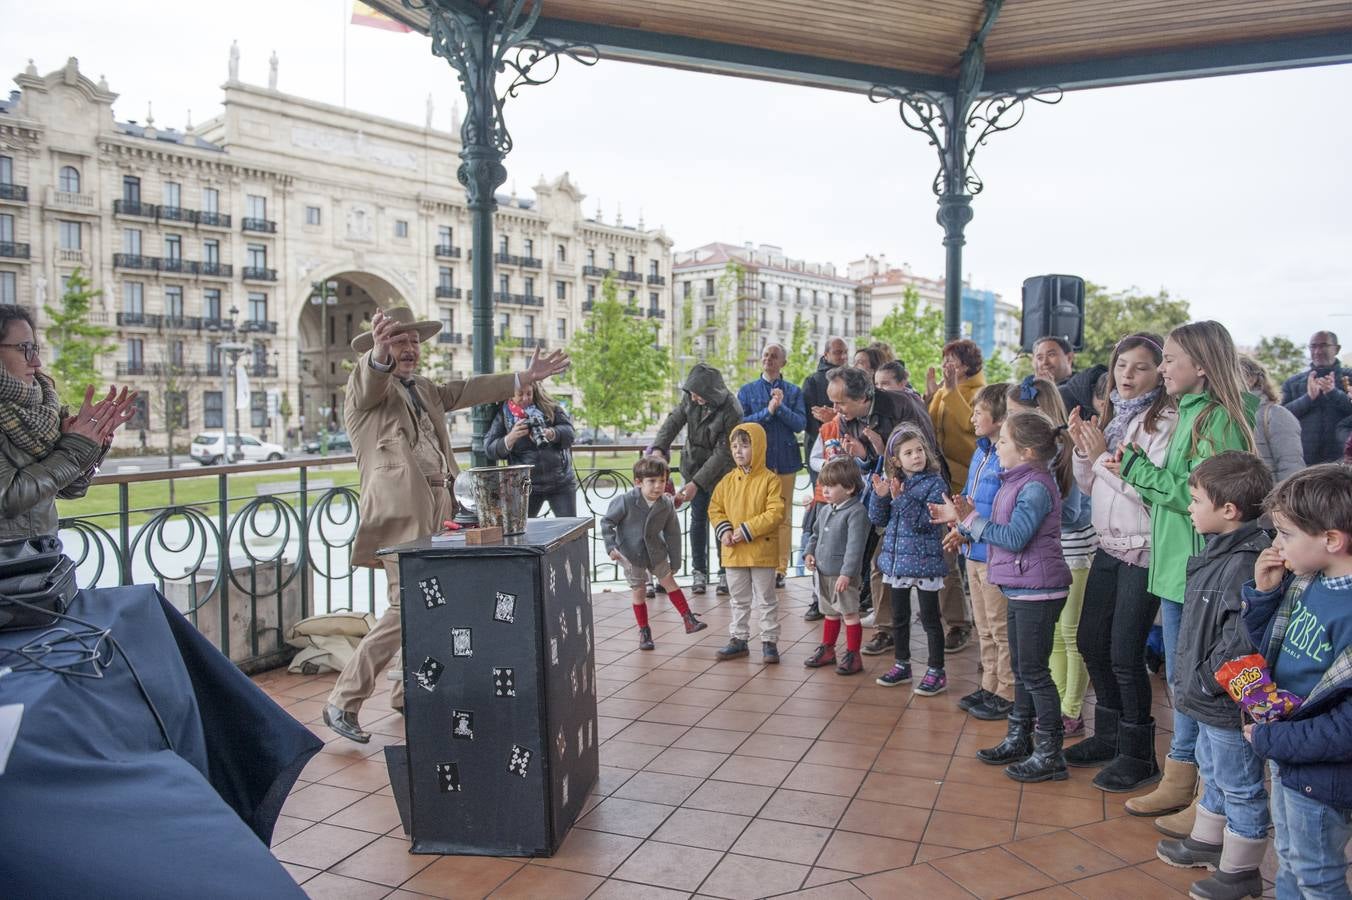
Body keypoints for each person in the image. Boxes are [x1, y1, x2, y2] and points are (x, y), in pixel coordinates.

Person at [323, 306, 568, 744]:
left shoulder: (424, 389)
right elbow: (370, 379)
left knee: (427, 602)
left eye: (414, 341)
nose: (410, 348)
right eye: (400, 341)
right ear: (380, 347)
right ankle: (343, 699)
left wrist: (523, 378)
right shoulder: (365, 390)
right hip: (400, 515)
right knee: (408, 607)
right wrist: (378, 355)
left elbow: (467, 390)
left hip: (437, 507)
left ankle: (403, 693)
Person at [1117, 320, 1256, 821]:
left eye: (1170, 359)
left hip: (1198, 570)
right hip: (1179, 566)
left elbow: (1204, 499)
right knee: (1182, 681)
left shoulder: (1214, 420)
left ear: (1201, 366)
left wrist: (1135, 468)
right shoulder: (1190, 414)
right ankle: (1184, 779)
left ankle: (1206, 798)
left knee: (1193, 683)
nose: (1162, 367)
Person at [1156, 451, 1273, 900]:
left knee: (1240, 783)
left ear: (1229, 510)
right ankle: (1208, 840)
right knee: (1212, 769)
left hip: (1224, 699)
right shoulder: (1218, 550)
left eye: (1195, 499)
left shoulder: (1246, 561)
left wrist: (1205, 681)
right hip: (1207, 696)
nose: (1189, 507)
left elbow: (1240, 638)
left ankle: (1242, 869)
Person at [1064, 332, 1177, 794]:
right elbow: (1091, 485)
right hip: (1108, 544)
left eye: (1141, 367)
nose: (1127, 375)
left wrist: (1102, 458)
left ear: (1159, 375)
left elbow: (1148, 491)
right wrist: (1081, 450)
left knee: (1125, 653)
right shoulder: (1114, 418)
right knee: (1092, 641)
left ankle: (1138, 754)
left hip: (1144, 548)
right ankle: (1108, 737)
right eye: (1122, 366)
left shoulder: (1163, 422)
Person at [945, 411, 1074, 783]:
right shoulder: (1018, 480)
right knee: (1023, 669)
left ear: (1028, 451)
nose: (996, 447)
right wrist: (969, 526)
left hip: (1039, 590)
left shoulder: (1034, 485)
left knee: (1034, 672)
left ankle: (1050, 752)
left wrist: (971, 521)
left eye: (1003, 442)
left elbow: (1016, 537)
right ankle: (1020, 736)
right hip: (1022, 587)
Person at [1243, 464, 1352, 900]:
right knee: (1289, 855)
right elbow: (1271, 649)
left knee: (1317, 874)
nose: (1277, 544)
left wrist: (1272, 741)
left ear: (1331, 539)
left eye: (1286, 534)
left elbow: (1344, 729)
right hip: (1288, 748)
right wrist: (1265, 594)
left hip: (1321, 769)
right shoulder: (1308, 579)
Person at [0, 305, 137, 539]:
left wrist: (92, 440)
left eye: (35, 348)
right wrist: (73, 450)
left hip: (40, 557)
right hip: (11, 565)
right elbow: (7, 499)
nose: (36, 362)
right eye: (24, 348)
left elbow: (70, 489)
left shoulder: (43, 407)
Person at [1007, 377, 1095, 736]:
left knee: (1073, 636)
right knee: (1054, 638)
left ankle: (1071, 709)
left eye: (1015, 416)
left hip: (1072, 554)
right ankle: (1055, 708)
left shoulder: (1066, 452)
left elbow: (1076, 514)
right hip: (1046, 555)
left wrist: (1040, 509)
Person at [947, 382, 1015, 721]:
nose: (972, 417)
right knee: (983, 626)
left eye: (978, 411)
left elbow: (1001, 507)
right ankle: (989, 684)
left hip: (994, 551)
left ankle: (1007, 690)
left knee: (1000, 627)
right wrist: (960, 527)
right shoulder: (982, 451)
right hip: (973, 548)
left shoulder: (1007, 455)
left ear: (1001, 417)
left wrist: (968, 523)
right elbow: (970, 498)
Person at [870, 426, 950, 694]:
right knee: (899, 616)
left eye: (919, 450)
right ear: (895, 460)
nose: (916, 456)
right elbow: (879, 520)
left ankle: (936, 670)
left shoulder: (935, 483)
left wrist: (900, 499)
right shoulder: (895, 483)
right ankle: (902, 664)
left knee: (930, 619)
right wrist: (880, 498)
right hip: (897, 564)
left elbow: (925, 522)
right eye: (908, 452)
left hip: (925, 562)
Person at [651, 363, 743, 596]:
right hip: (693, 465)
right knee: (697, 520)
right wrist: (659, 449)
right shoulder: (691, 400)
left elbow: (724, 452)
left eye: (697, 393)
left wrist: (696, 484)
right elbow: (673, 422)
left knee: (724, 521)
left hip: (722, 472)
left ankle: (725, 572)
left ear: (710, 392)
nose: (692, 397)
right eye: (691, 393)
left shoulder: (732, 408)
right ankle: (698, 572)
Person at [602, 455, 707, 650]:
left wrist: (675, 562)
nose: (658, 486)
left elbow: (673, 534)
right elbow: (607, 522)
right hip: (631, 554)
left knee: (669, 580)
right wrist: (610, 546)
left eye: (662, 481)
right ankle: (644, 631)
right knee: (639, 590)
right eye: (652, 481)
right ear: (638, 482)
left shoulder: (666, 504)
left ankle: (688, 618)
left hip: (656, 552)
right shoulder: (625, 501)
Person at [927, 339, 986, 654]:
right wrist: (931, 395)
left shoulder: (978, 393)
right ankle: (957, 621)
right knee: (947, 555)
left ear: (966, 365)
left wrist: (949, 391)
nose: (947, 364)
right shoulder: (943, 390)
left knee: (971, 556)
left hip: (966, 484)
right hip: (942, 480)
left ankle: (976, 625)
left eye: (952, 359)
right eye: (945, 358)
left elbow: (972, 427)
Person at [709, 423, 786, 664]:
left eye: (745, 445)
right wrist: (724, 531)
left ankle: (769, 641)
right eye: (734, 446)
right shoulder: (726, 481)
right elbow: (715, 508)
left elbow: (776, 512)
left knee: (766, 598)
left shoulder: (770, 480)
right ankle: (739, 639)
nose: (738, 451)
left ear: (759, 446)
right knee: (739, 599)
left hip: (761, 550)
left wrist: (747, 529)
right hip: (733, 551)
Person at [738, 343, 806, 588]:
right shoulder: (747, 391)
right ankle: (759, 563)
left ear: (783, 363)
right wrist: (767, 411)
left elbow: (800, 424)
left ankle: (780, 568)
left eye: (774, 356)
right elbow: (742, 424)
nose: (769, 359)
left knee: (784, 517)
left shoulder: (794, 392)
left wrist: (781, 408)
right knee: (757, 514)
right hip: (759, 464)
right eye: (766, 354)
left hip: (786, 463)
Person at [802, 456, 872, 675]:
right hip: (824, 572)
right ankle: (828, 649)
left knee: (849, 613)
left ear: (850, 487)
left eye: (832, 486)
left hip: (843, 576)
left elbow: (855, 548)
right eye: (824, 485)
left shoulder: (856, 513)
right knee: (830, 612)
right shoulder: (825, 510)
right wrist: (809, 553)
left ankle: (853, 655)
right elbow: (814, 534)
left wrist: (847, 574)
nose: (826, 490)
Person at [484, 379, 577, 516]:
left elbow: (570, 433)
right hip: (525, 485)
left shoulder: (548, 407)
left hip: (561, 482)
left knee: (571, 531)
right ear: (510, 395)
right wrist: (511, 437)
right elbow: (489, 449)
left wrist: (552, 433)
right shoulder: (504, 415)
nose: (525, 398)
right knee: (523, 532)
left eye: (529, 393)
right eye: (520, 394)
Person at [1280, 330, 1352, 464]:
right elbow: (1281, 417)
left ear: (1337, 349)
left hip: (1344, 460)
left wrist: (1333, 393)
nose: (1318, 351)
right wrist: (1308, 398)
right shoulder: (1293, 383)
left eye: (1324, 345)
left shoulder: (1349, 378)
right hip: (1304, 461)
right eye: (1313, 346)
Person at [1238, 356, 1304, 482]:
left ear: (1251, 379)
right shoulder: (1224, 414)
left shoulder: (1277, 414)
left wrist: (1283, 500)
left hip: (1270, 497)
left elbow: (1291, 467)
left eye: (1232, 375)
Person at [802, 336, 849, 482]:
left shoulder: (852, 378)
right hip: (820, 446)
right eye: (837, 352)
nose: (843, 357)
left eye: (845, 352)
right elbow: (809, 419)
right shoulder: (813, 381)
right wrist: (831, 428)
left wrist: (835, 418)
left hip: (847, 443)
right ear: (826, 354)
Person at [1033, 335, 1106, 422]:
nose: (1045, 362)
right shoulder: (1032, 391)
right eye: (1039, 358)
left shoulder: (1084, 385)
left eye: (1051, 355)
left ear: (1069, 357)